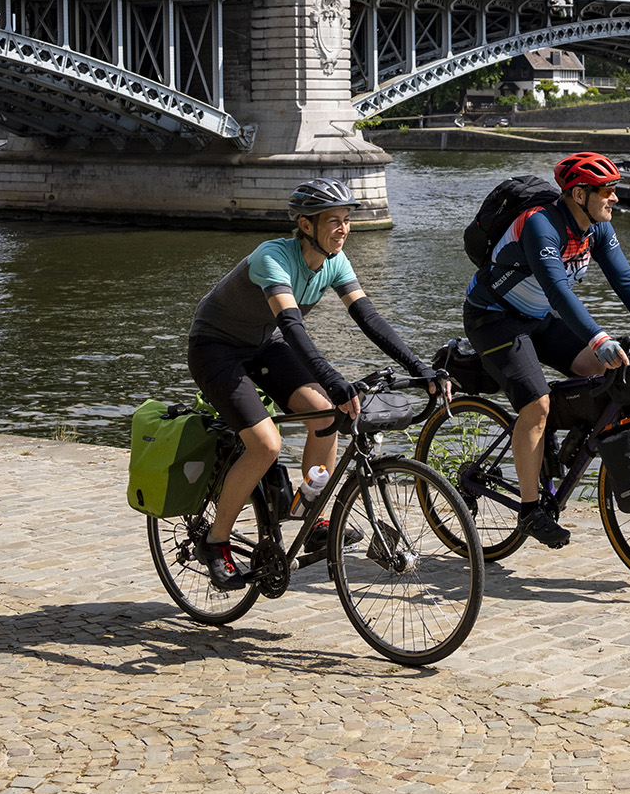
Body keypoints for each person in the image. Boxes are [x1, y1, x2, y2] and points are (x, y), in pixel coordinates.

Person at [187, 178, 443, 589]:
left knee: (327, 416)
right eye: (334, 221)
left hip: (262, 343)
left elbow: (369, 319)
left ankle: (314, 513)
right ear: (306, 225)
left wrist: (421, 367)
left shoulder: (335, 262)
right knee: (266, 444)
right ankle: (215, 542)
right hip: (216, 347)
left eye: (346, 220)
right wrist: (334, 379)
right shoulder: (273, 257)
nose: (343, 229)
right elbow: (291, 326)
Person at [464, 151, 630, 548]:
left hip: (538, 317)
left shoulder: (596, 228)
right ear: (580, 193)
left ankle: (566, 443)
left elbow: (623, 277)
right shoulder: (539, 225)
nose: (615, 199)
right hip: (494, 318)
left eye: (614, 190)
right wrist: (599, 338)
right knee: (536, 404)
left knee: (612, 375)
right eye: (608, 191)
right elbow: (558, 290)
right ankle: (531, 509)